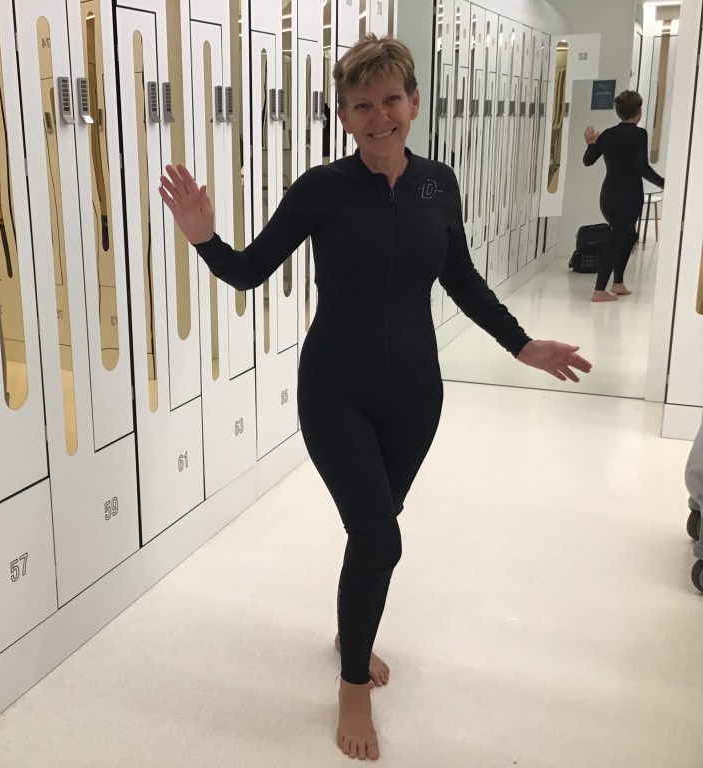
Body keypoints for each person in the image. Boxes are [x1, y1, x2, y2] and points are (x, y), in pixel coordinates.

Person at [159, 36, 592, 761]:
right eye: (362, 104)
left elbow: (462, 279)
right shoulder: (321, 188)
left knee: (371, 533)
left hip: (417, 396)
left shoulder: (437, 185)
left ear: (414, 103)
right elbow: (247, 272)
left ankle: (348, 628)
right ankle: (353, 682)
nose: (379, 115)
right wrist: (205, 239)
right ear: (345, 116)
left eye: (391, 98)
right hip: (335, 390)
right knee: (382, 536)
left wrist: (522, 345)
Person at [583, 90, 665, 303]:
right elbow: (642, 167)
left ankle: (617, 283)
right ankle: (599, 291)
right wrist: (665, 184)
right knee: (618, 239)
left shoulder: (608, 134)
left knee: (629, 236)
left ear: (618, 112)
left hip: (608, 196)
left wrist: (591, 142)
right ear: (639, 111)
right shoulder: (639, 134)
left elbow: (588, 160)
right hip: (628, 196)